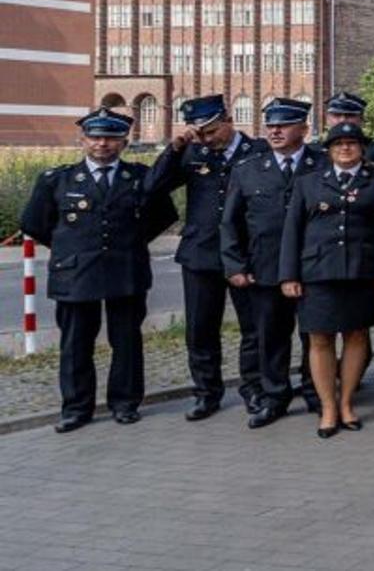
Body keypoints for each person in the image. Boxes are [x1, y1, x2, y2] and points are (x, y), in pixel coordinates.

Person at [20, 109, 177, 433]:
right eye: (95, 137)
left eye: (111, 138)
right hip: (76, 272)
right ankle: (76, 408)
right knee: (76, 343)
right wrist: (71, 248)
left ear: (124, 141)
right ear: (83, 139)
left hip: (125, 269)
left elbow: (163, 216)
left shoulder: (139, 177)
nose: (102, 144)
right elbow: (35, 223)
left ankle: (125, 403)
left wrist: (130, 242)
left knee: (127, 341)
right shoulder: (57, 179)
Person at [145, 94, 268, 421]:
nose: (206, 139)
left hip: (245, 255)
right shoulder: (191, 153)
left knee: (253, 328)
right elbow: (152, 187)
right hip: (201, 252)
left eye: (211, 131)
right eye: (199, 133)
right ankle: (206, 392)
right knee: (200, 328)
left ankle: (254, 390)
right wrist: (173, 150)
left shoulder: (257, 152)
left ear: (228, 120)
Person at [278, 123, 374, 438]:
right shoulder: (308, 183)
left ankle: (346, 402)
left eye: (352, 143)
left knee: (356, 336)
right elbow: (292, 231)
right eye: (338, 143)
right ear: (328, 150)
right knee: (320, 339)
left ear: (362, 148)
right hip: (317, 273)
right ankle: (327, 407)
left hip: (362, 271)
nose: (345, 148)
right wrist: (288, 274)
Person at [222, 98, 324, 428]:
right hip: (265, 269)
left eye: (284, 124)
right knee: (271, 337)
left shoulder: (322, 165)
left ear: (304, 129)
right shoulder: (248, 168)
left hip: (312, 267)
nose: (275, 131)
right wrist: (235, 266)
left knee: (316, 335)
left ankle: (316, 392)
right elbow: (230, 222)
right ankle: (275, 396)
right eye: (271, 125)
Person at [322, 92, 374, 169]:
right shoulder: (314, 152)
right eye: (337, 115)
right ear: (327, 119)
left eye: (349, 115)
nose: (342, 120)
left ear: (361, 119)